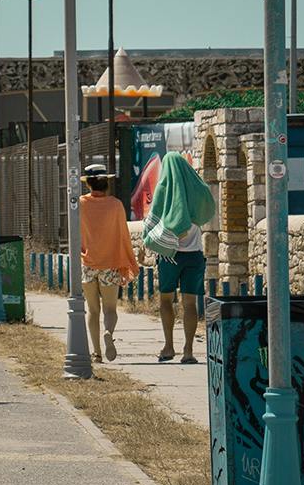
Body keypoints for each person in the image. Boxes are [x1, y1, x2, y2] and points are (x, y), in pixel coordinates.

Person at [139, 150, 214, 364]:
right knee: (190, 303)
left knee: (166, 299)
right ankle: (189, 351)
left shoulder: (165, 188)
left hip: (169, 257)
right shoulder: (197, 189)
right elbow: (208, 209)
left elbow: (152, 221)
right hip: (194, 255)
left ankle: (168, 345)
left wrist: (146, 242)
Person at [79, 164, 136, 360]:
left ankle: (96, 353)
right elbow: (123, 235)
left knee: (93, 310)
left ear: (88, 184)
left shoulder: (80, 204)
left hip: (88, 263)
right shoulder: (116, 205)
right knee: (110, 309)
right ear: (106, 183)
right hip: (110, 264)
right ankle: (108, 333)